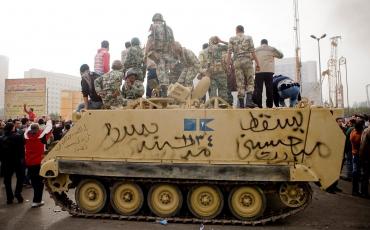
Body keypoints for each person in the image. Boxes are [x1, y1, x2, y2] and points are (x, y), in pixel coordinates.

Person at [227, 25, 259, 108]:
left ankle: (241, 104)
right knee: (250, 81)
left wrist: (228, 65)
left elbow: (229, 53)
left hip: (237, 62)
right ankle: (249, 101)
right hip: (247, 61)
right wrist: (257, 63)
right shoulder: (249, 38)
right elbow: (253, 52)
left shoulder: (232, 39)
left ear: (236, 30)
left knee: (240, 82)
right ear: (243, 30)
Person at [145, 13, 175, 97]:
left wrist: (146, 54)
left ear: (154, 20)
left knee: (161, 74)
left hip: (159, 55)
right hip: (169, 55)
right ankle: (168, 92)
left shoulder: (154, 27)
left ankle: (164, 94)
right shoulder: (169, 28)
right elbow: (173, 43)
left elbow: (150, 40)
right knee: (166, 74)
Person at [24, 120, 52, 207]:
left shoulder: (25, 137)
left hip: (29, 163)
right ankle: (37, 201)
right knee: (40, 183)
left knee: (34, 182)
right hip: (39, 163)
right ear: (38, 129)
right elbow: (49, 128)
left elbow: (27, 130)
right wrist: (48, 120)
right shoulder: (41, 137)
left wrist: (33, 123)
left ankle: (35, 200)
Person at [0, 122, 25, 204]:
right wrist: (22, 158)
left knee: (7, 180)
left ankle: (9, 198)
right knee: (20, 177)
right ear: (12, 128)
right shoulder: (18, 136)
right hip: (17, 160)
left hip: (6, 162)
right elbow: (22, 149)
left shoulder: (1, 138)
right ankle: (18, 192)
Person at [254, 39, 284, 108]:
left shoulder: (256, 49)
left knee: (258, 89)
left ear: (261, 43)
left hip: (259, 72)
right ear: (267, 43)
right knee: (269, 89)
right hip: (269, 72)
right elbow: (281, 56)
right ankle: (269, 105)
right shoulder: (272, 49)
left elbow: (250, 57)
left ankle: (259, 105)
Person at [206, 36, 229, 102]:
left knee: (213, 89)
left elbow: (208, 62)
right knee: (223, 89)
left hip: (212, 72)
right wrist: (221, 41)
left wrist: (207, 72)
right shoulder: (220, 47)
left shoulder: (208, 49)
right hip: (221, 71)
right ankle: (223, 104)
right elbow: (231, 46)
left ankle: (213, 104)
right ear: (216, 41)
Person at [350, 119, 365, 196]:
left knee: (355, 172)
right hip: (359, 154)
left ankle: (354, 190)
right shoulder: (359, 135)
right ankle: (359, 191)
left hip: (354, 153)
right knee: (360, 173)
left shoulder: (352, 132)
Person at [359, 121, 370, 198]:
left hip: (366, 156)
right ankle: (364, 192)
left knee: (365, 175)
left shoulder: (366, 131)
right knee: (366, 175)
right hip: (367, 156)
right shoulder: (367, 131)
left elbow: (362, 144)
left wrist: (361, 156)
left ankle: (364, 192)